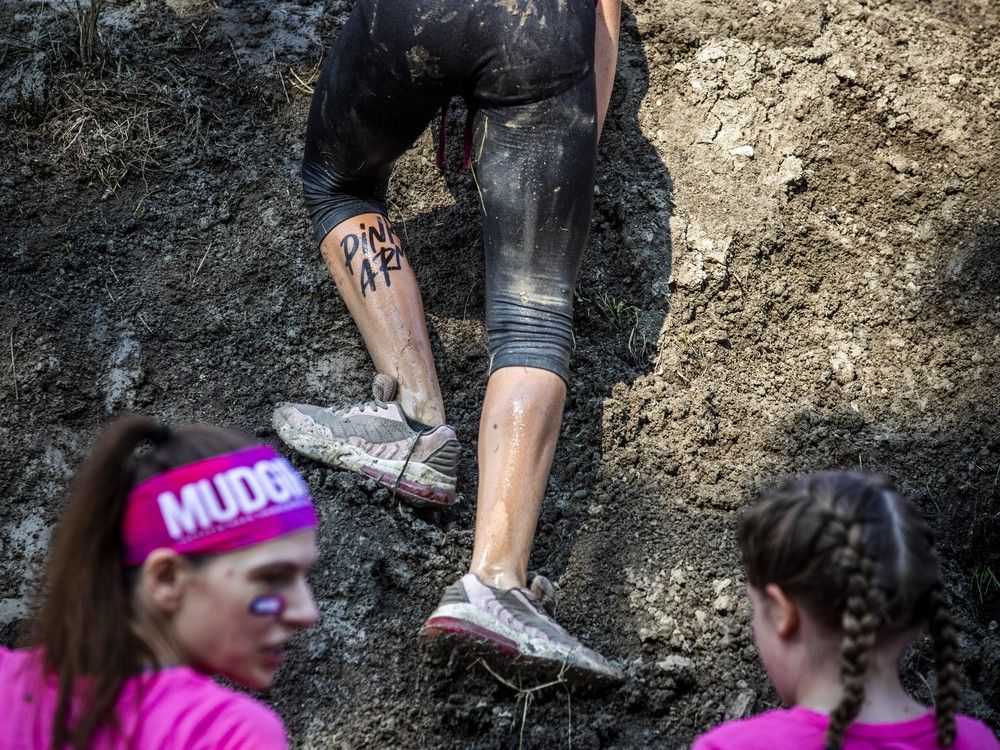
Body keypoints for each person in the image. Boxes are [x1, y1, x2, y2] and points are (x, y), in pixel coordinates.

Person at [272, 0, 623, 682]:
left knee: (338, 183)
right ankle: (494, 581)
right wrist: (579, 134)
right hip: (545, 32)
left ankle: (413, 416)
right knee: (535, 313)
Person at [0, 416, 320, 749]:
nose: (307, 612)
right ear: (166, 579)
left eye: (303, 576)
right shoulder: (227, 734)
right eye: (272, 578)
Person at [692, 471, 1000, 750]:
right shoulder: (978, 742)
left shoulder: (732, 746)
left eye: (755, 609)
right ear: (917, 614)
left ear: (781, 613)